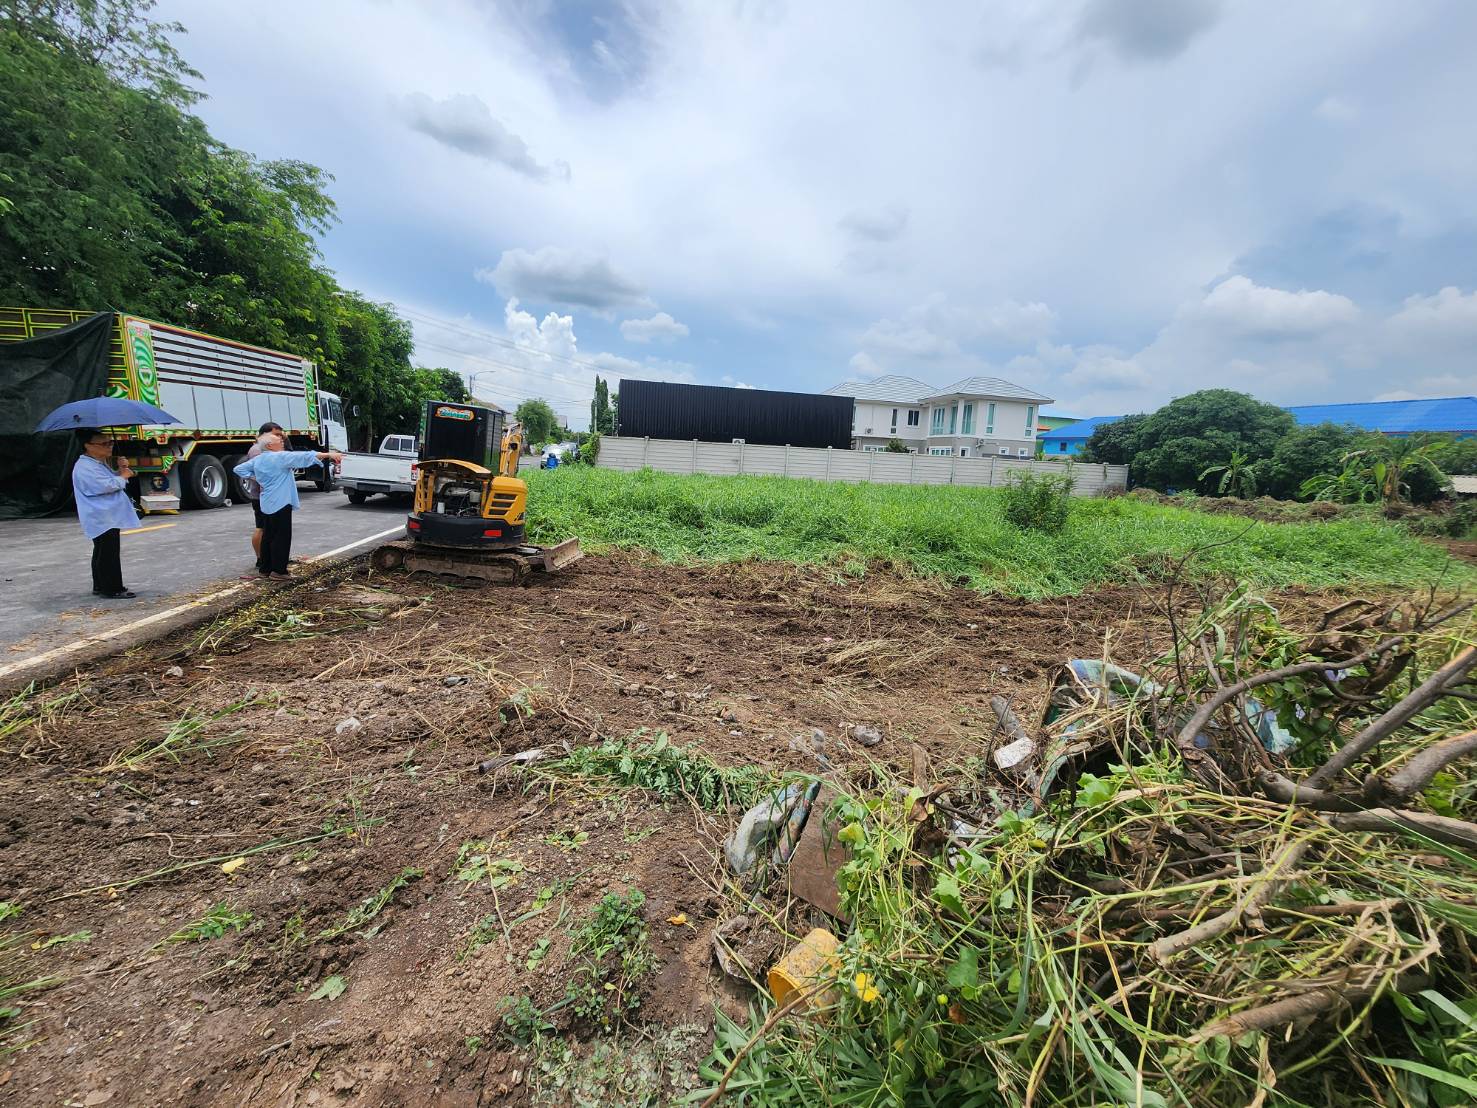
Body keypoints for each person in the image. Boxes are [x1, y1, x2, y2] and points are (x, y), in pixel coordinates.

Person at [232, 432, 343, 580]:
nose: (282, 441)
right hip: (281, 501)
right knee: (281, 536)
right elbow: (303, 456)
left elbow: (238, 469)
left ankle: (266, 569)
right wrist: (329, 454)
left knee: (269, 535)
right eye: (278, 440)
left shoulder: (258, 460)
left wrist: (257, 478)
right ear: (270, 445)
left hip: (266, 501)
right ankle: (279, 571)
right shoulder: (280, 457)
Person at [71, 430, 140, 599]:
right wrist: (122, 476)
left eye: (110, 443)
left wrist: (121, 469)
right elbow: (103, 486)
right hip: (101, 515)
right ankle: (112, 588)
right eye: (104, 444)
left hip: (106, 514)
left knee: (103, 550)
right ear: (88, 445)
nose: (109, 447)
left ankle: (100, 585)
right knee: (108, 551)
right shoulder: (85, 466)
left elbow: (110, 481)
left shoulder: (97, 463)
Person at [241, 420, 283, 577]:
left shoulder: (264, 448)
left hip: (267, 495)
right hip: (261, 496)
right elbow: (258, 473)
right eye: (276, 434)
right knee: (262, 527)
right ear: (265, 434)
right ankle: (261, 559)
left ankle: (268, 559)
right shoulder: (257, 450)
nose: (279, 438)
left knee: (268, 528)